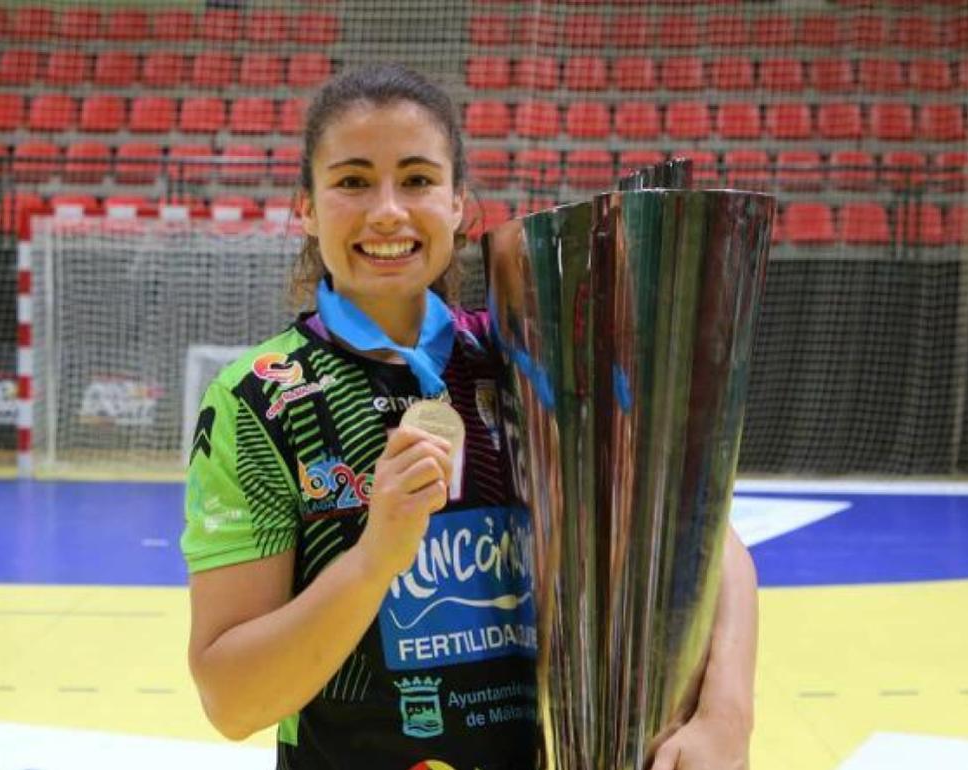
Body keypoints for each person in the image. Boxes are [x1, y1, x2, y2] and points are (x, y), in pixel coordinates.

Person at [182, 62, 757, 770]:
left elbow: (702, 534)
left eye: (417, 180)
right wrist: (374, 560)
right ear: (306, 207)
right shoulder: (259, 400)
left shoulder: (528, 356)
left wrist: (727, 714)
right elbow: (232, 702)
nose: (387, 211)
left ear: (457, 203)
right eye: (353, 181)